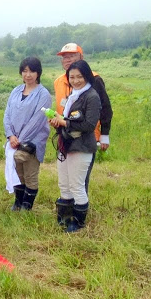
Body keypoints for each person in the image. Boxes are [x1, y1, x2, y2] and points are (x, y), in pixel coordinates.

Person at [48, 60, 101, 233]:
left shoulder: (92, 96)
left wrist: (64, 122)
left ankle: (78, 222)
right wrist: (57, 121)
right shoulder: (73, 95)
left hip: (82, 146)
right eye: (72, 77)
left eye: (80, 76)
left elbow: (89, 125)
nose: (76, 80)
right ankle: (65, 216)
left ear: (87, 76)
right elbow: (68, 120)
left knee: (76, 185)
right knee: (64, 183)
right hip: (66, 145)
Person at [54, 43, 112, 192]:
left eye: (72, 56)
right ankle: (67, 209)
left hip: (87, 135)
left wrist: (104, 135)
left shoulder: (94, 79)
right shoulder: (58, 82)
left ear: (81, 56)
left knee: (79, 180)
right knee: (67, 177)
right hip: (66, 135)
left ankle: (79, 210)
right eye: (65, 57)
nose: (68, 60)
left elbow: (105, 107)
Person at [3, 57, 52, 211]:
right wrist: (11, 136)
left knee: (30, 174)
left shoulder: (43, 94)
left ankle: (27, 206)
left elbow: (37, 121)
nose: (28, 74)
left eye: (32, 71)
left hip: (32, 141)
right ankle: (18, 202)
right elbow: (7, 115)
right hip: (14, 140)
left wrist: (20, 140)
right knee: (18, 173)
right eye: (24, 71)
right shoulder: (16, 91)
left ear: (38, 73)